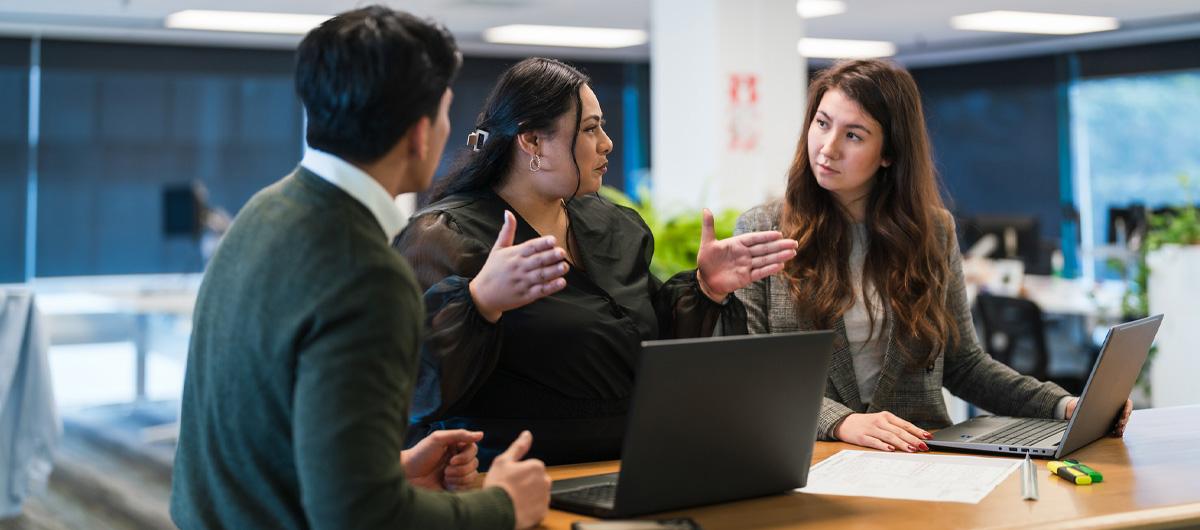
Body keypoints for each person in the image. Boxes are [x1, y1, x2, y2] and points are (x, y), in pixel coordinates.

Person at [170, 7, 551, 529]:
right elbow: (359, 518)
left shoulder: (262, 211)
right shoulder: (367, 273)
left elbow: (267, 437)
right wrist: (502, 504)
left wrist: (382, 469)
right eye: (445, 114)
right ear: (420, 135)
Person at [395, 57, 797, 467]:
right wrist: (479, 302)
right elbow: (409, 388)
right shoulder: (445, 237)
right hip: (516, 476)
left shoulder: (612, 225)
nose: (606, 142)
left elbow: (640, 345)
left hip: (630, 465)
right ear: (532, 142)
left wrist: (705, 287)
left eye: (601, 126)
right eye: (589, 129)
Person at [731, 59, 1132, 453]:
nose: (828, 147)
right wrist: (842, 422)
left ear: (888, 153)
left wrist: (1063, 406)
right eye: (822, 123)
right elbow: (752, 374)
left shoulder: (932, 234)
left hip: (924, 458)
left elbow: (964, 365)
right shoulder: (762, 231)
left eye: (854, 135)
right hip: (811, 458)